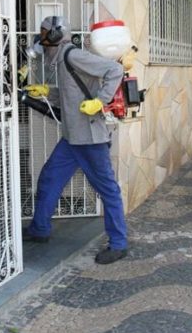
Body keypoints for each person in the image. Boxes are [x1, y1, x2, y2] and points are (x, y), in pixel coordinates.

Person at [22, 15, 128, 265]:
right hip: (72, 139)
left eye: (44, 32)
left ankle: (119, 243)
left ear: (56, 35)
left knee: (107, 190)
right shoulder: (60, 60)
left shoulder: (72, 55)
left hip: (90, 139)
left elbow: (115, 70)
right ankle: (40, 229)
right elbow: (72, 94)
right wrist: (49, 92)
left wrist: (100, 102)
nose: (41, 38)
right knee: (49, 178)